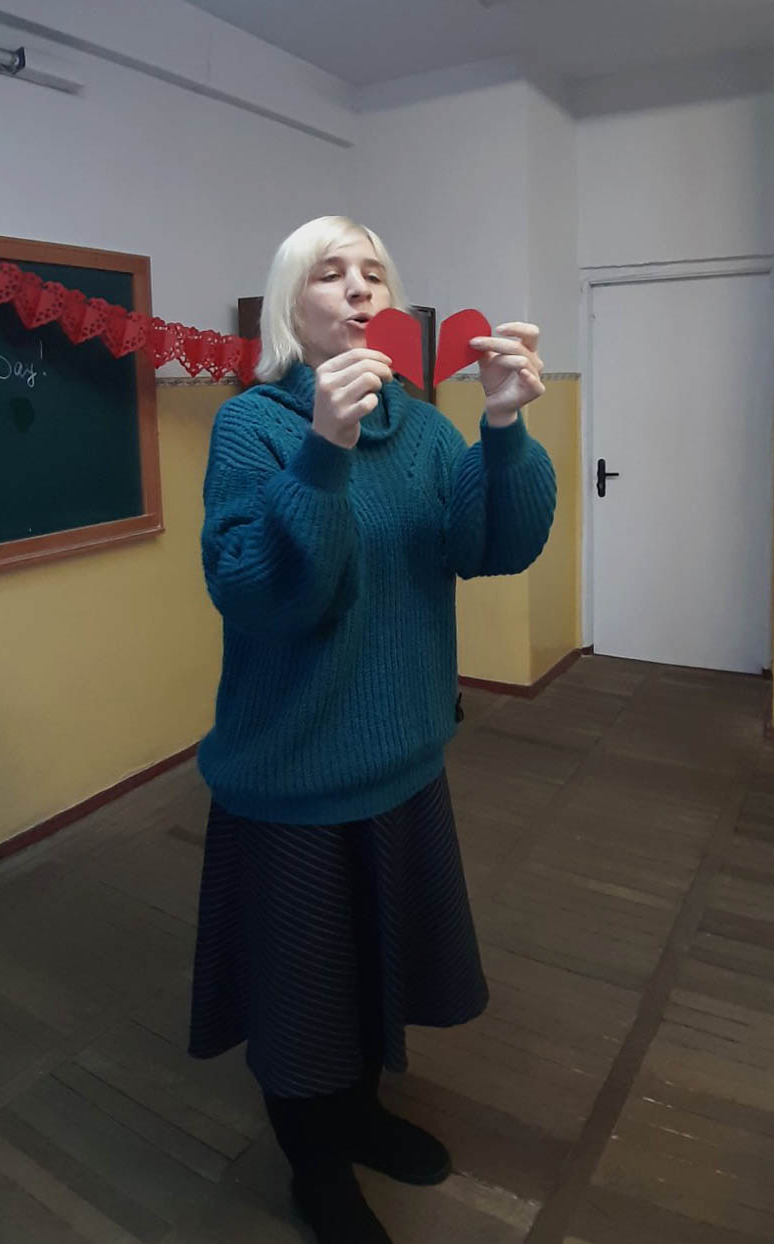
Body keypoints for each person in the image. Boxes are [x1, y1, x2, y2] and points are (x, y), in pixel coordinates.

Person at [189, 216, 556, 1244]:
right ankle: (315, 1171)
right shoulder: (253, 427)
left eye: (373, 273)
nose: (358, 289)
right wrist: (325, 448)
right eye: (330, 273)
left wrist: (502, 426)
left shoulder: (428, 433)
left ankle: (358, 1115)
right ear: (289, 305)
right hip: (292, 780)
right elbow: (259, 592)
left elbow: (495, 543)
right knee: (304, 997)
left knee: (369, 975)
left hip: (403, 764)